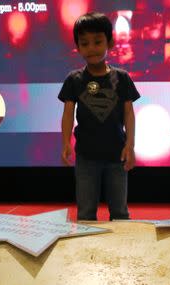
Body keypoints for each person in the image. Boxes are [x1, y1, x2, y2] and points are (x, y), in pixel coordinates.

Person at [58, 12, 140, 221]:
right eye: (84, 43)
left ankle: (122, 251)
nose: (91, 48)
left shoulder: (121, 78)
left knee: (120, 213)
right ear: (77, 46)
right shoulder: (74, 79)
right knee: (85, 213)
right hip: (86, 156)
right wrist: (66, 142)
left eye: (97, 42)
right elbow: (68, 113)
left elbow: (129, 114)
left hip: (116, 156)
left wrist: (130, 145)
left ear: (110, 42)